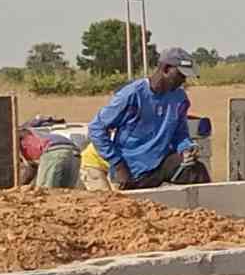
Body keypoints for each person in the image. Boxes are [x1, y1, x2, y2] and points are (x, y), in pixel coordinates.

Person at [45, 51, 191, 189]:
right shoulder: (132, 95)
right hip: (102, 164)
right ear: (165, 69)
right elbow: (96, 128)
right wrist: (119, 166)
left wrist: (186, 147)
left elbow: (180, 133)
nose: (183, 80)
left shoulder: (179, 98)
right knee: (111, 209)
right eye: (180, 75)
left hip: (144, 165)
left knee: (193, 170)